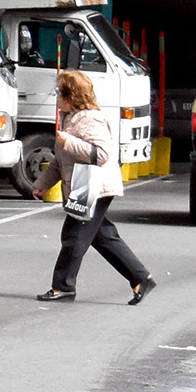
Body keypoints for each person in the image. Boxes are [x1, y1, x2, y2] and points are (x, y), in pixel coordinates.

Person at [36, 67, 153, 303]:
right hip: (83, 187)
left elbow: (101, 154)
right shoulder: (69, 119)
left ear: (72, 96)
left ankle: (63, 286)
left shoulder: (90, 119)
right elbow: (60, 162)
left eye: (59, 92)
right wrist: (42, 184)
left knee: (73, 236)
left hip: (94, 188)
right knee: (104, 236)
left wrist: (68, 141)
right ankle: (141, 278)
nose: (56, 96)